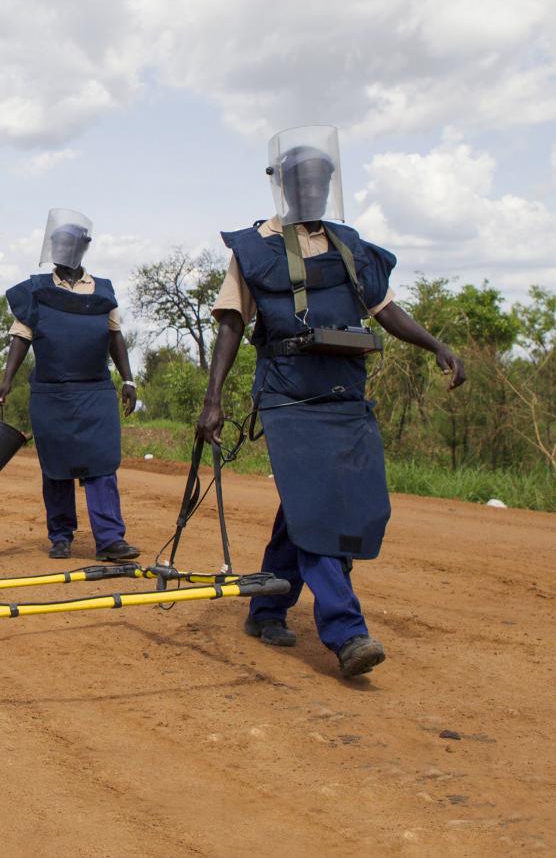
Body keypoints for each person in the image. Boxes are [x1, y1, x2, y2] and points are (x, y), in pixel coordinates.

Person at [197, 125, 466, 679]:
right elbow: (230, 325)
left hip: (345, 395)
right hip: (289, 399)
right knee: (318, 508)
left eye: (322, 181)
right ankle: (347, 632)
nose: (314, 190)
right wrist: (213, 400)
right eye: (304, 181)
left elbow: (386, 310)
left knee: (315, 508)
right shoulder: (255, 248)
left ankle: (266, 608)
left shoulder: (348, 245)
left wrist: (435, 344)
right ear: (284, 185)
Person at [0, 210, 141, 563]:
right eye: (57, 242)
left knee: (102, 463)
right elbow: (21, 337)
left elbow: (115, 336)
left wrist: (128, 379)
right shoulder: (36, 291)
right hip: (52, 394)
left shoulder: (102, 290)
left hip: (95, 393)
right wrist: (7, 380)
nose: (62, 248)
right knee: (56, 466)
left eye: (69, 242)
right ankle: (60, 537)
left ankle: (110, 539)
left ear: (83, 246)